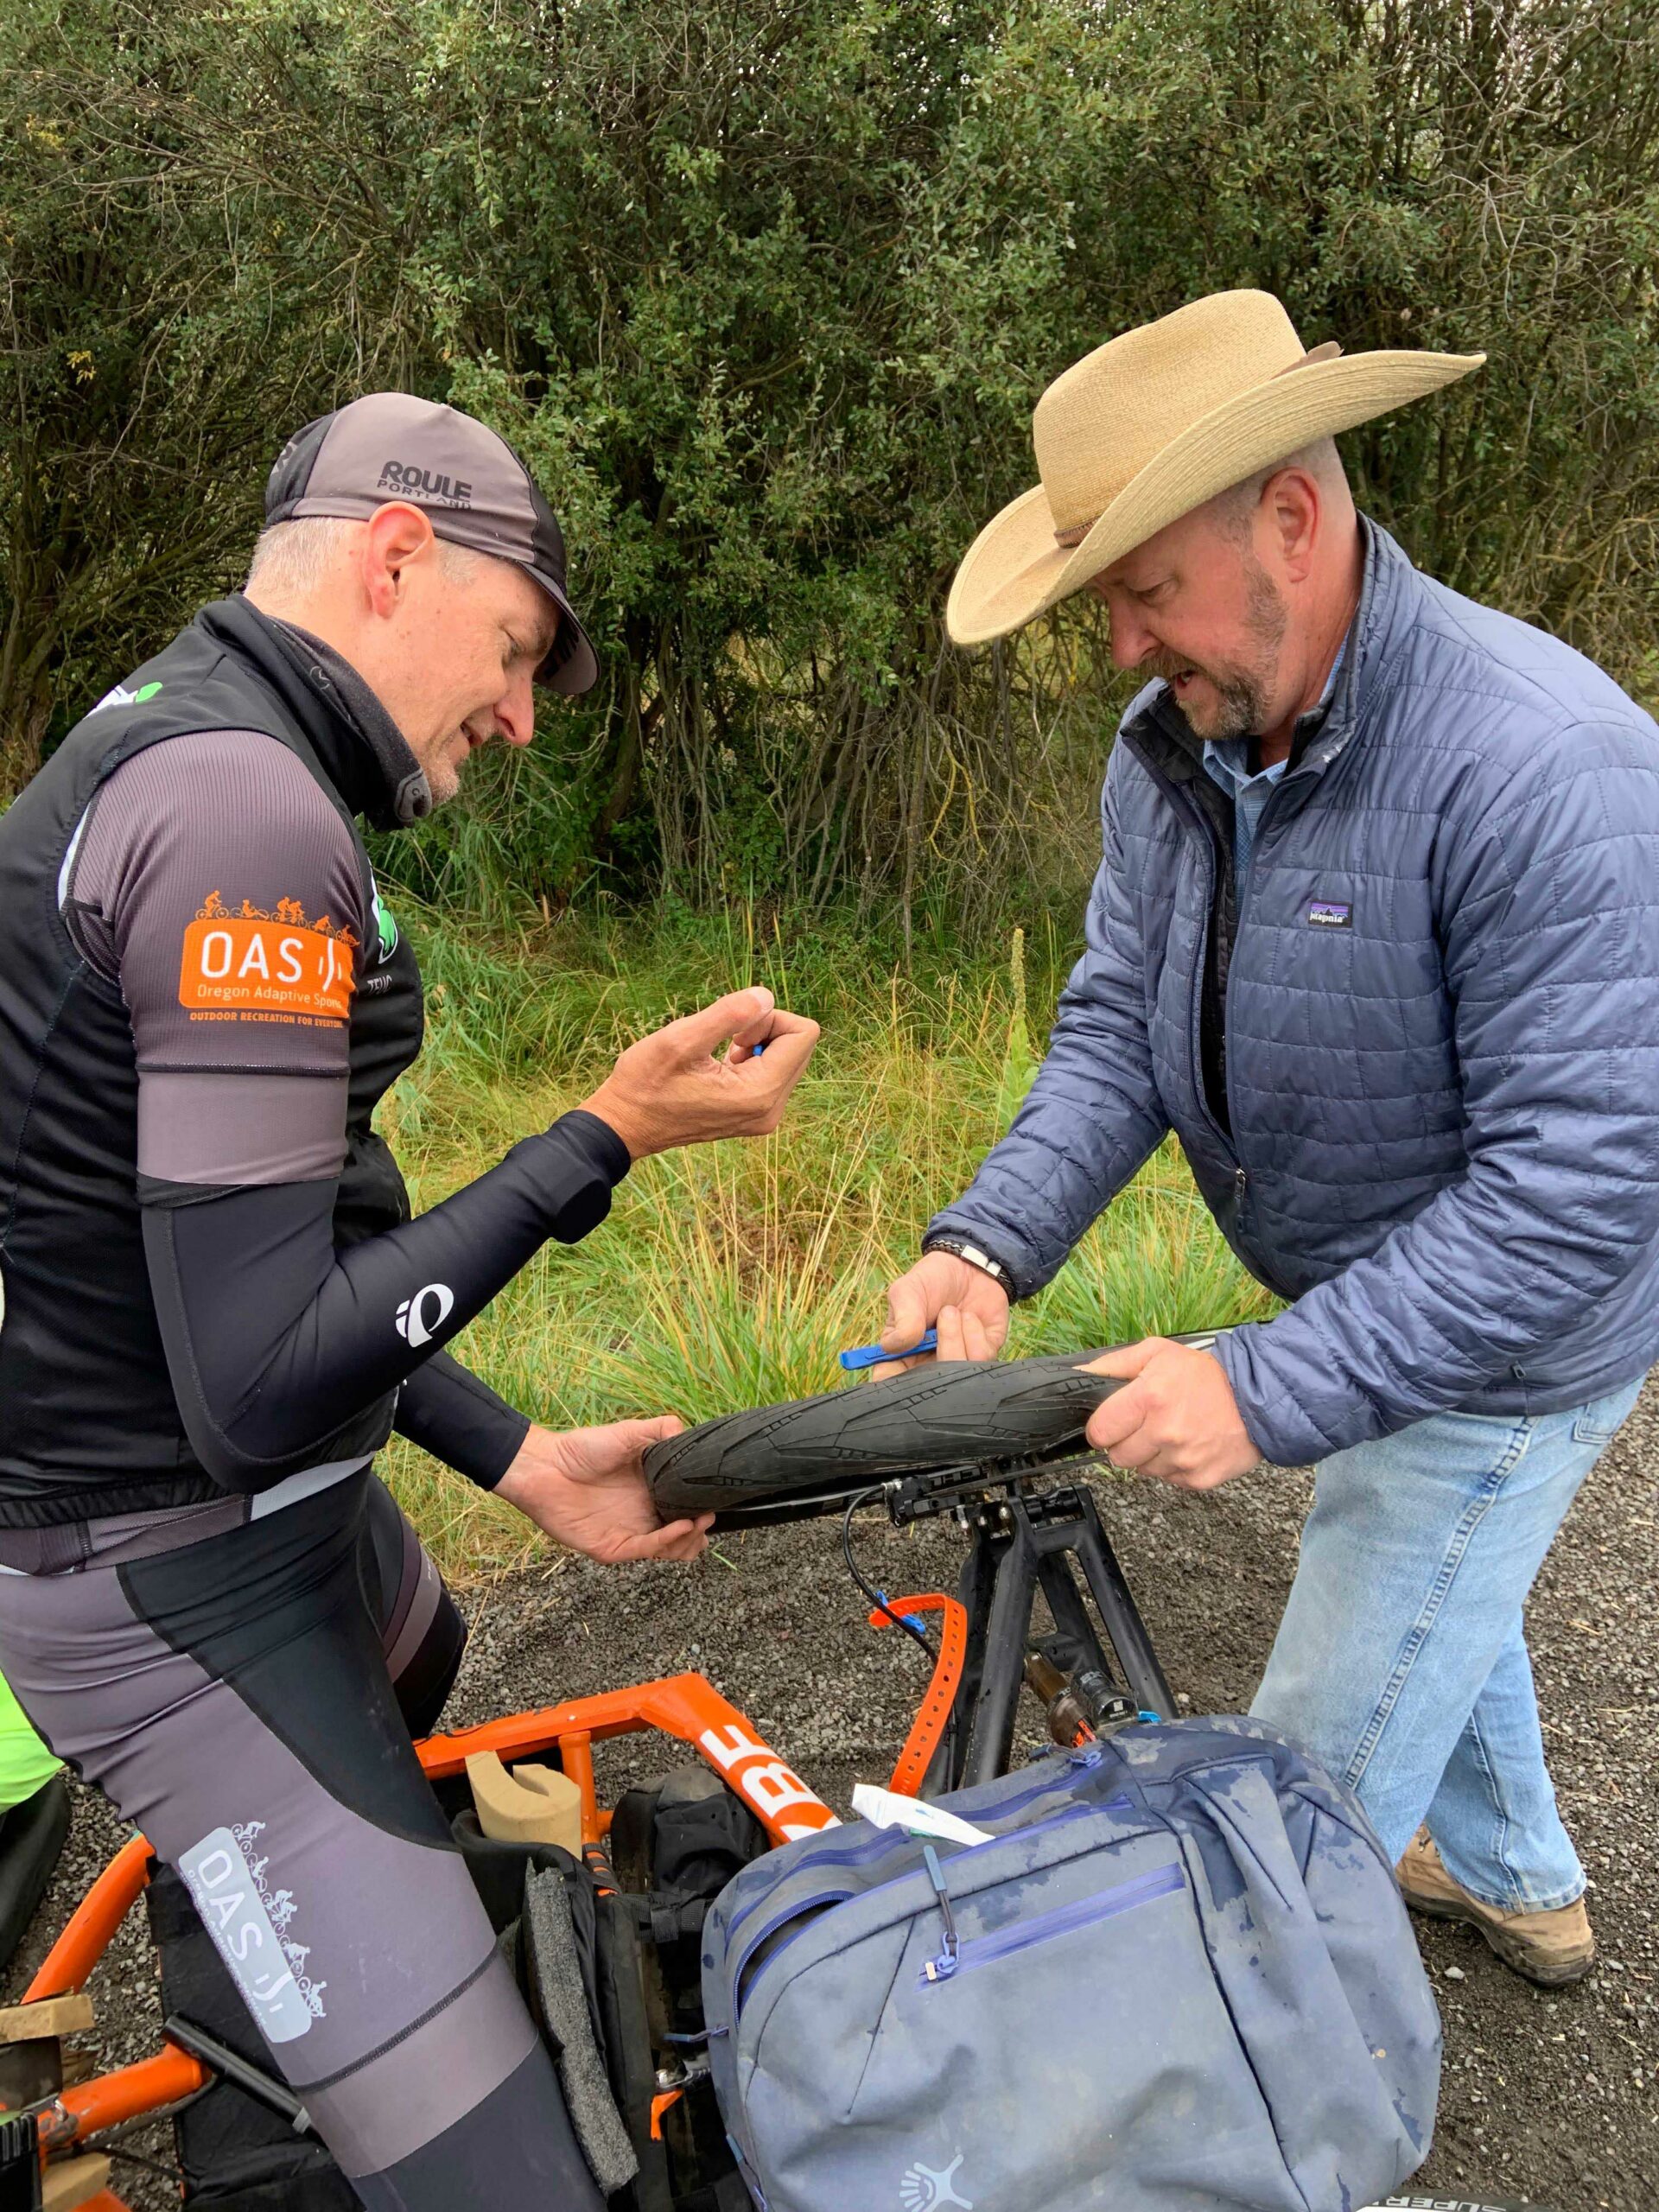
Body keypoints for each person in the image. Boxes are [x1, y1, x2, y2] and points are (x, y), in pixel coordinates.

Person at [0, 392, 817, 2206]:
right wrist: (609, 1132)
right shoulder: (241, 816)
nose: (522, 714)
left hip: (258, 1509)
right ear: (393, 556)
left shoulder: (179, 735)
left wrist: (516, 1456)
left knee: (433, 1662)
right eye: (517, 648)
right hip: (168, 1574)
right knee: (514, 2185)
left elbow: (257, 1258)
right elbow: (262, 1371)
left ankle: (283, 2085)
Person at [880, 289, 1659, 1987]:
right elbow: (1118, 1028)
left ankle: (1237, 2088)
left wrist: (1262, 1381)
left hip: (1520, 1337)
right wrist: (987, 1239)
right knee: (1441, 1579)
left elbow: (1573, 1193)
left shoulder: (1541, 765)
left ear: (1290, 523)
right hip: (1372, 1284)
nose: (1119, 647)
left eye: (1147, 592)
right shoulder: (1176, 747)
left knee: (1280, 1822)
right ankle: (1521, 1881)